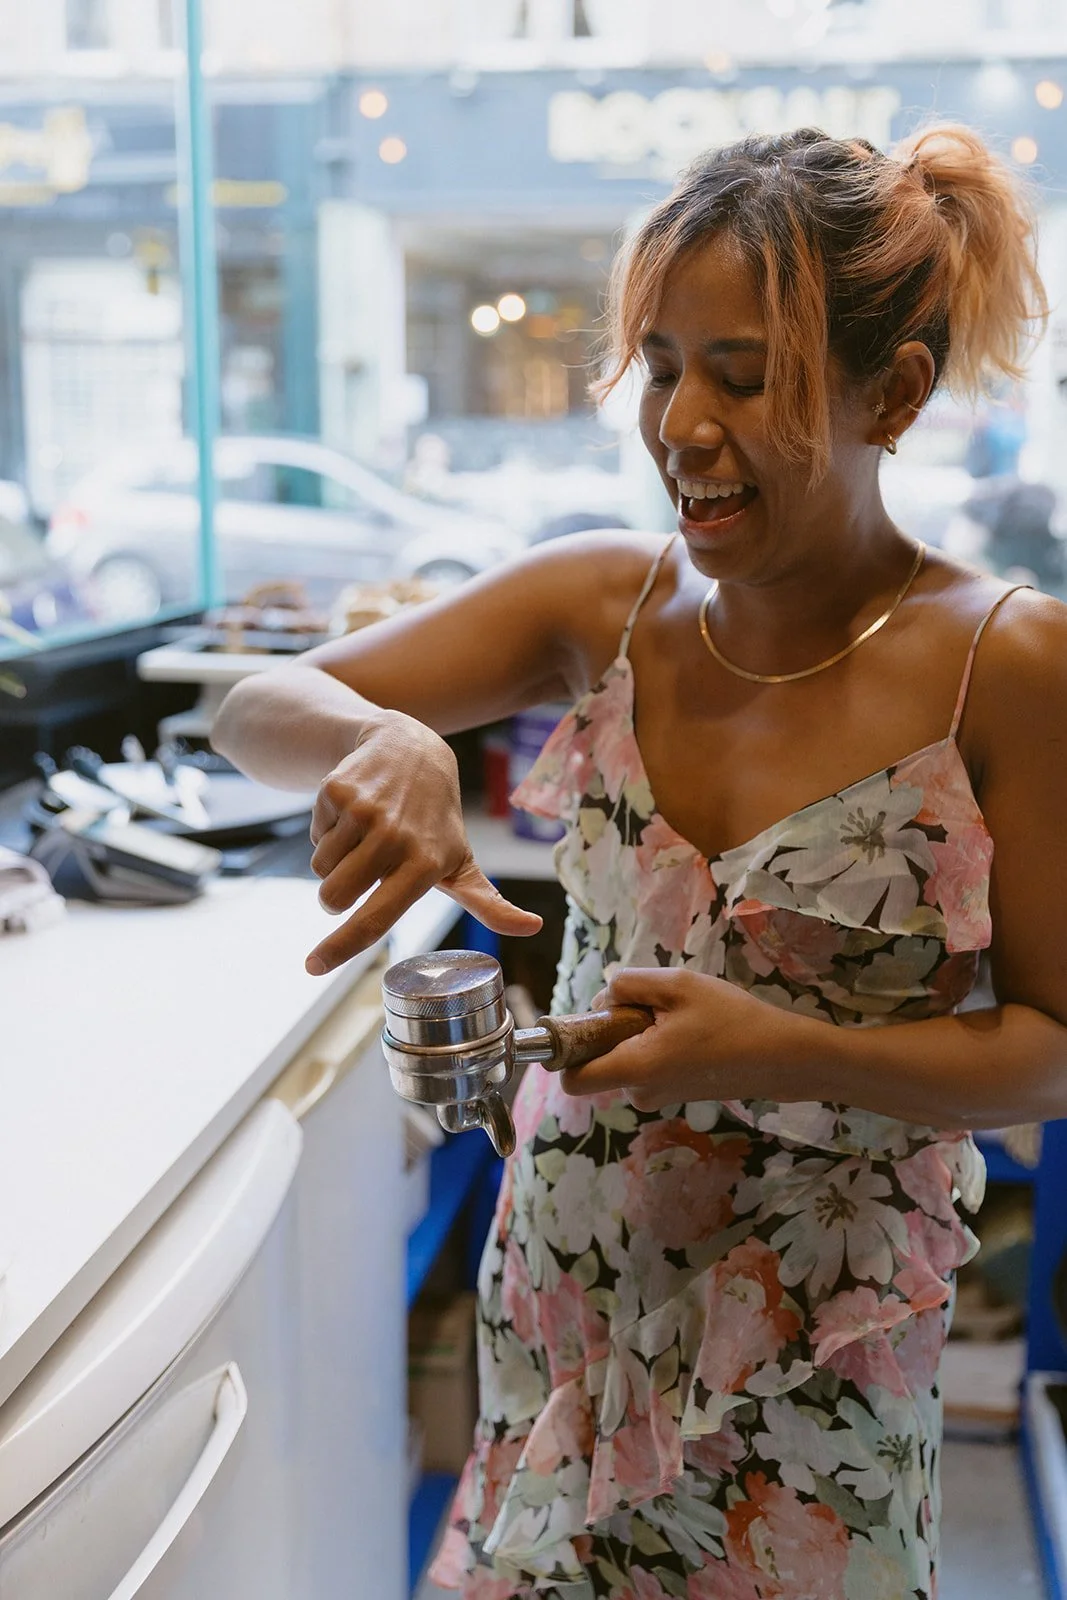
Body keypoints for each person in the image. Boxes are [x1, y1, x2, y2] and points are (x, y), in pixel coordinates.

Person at [211, 123, 1066, 1600]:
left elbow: (1053, 1049)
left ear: (896, 393)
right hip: (561, 1294)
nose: (682, 426)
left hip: (819, 1351)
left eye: (744, 376)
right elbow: (250, 706)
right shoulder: (601, 602)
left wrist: (783, 1049)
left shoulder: (1008, 664)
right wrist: (382, 738)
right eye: (663, 368)